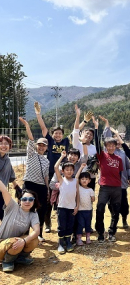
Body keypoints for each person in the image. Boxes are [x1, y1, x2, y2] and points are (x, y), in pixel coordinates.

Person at [34, 102, 70, 233]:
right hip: (49, 173)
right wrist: (38, 114)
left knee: (63, 199)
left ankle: (64, 224)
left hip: (64, 173)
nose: (58, 135)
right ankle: (47, 222)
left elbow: (77, 131)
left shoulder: (66, 141)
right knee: (48, 199)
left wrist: (80, 119)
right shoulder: (49, 140)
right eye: (56, 133)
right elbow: (43, 127)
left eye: (60, 133)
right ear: (53, 134)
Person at [19, 117, 50, 242]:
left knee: (41, 210)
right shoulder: (31, 154)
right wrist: (27, 126)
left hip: (42, 187)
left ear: (46, 147)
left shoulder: (47, 160)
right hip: (29, 185)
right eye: (40, 145)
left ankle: (39, 233)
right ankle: (25, 232)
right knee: (26, 208)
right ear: (36, 146)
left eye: (44, 146)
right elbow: (31, 139)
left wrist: (47, 189)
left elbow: (46, 176)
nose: (41, 147)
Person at [94, 119, 123, 243]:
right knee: (100, 209)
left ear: (116, 146)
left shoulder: (119, 159)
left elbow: (120, 173)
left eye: (113, 145)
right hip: (104, 187)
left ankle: (112, 232)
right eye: (108, 145)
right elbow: (96, 144)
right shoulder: (102, 155)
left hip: (116, 188)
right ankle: (100, 232)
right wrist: (96, 128)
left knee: (116, 211)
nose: (111, 147)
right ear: (105, 147)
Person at [0, 180, 40, 272]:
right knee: (15, 241)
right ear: (19, 200)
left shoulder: (33, 214)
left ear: (34, 201)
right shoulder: (12, 206)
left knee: (34, 240)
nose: (27, 202)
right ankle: (7, 261)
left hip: (16, 243)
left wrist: (24, 240)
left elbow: (36, 230)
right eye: (24, 199)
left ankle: (19, 258)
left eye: (31, 199)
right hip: (2, 243)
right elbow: (4, 190)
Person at [101, 116, 130, 228]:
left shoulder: (123, 154)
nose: (117, 143)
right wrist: (107, 124)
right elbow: (106, 137)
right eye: (115, 141)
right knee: (111, 204)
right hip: (109, 183)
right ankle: (114, 219)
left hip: (122, 183)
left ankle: (124, 219)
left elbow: (128, 167)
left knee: (124, 203)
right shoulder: (107, 151)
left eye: (119, 141)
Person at [54, 151, 79, 254]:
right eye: (67, 170)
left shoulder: (75, 181)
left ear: (73, 171)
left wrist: (77, 206)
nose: (69, 172)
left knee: (69, 225)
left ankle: (68, 242)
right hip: (62, 207)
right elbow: (56, 167)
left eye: (71, 170)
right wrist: (62, 156)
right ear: (63, 171)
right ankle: (60, 243)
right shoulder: (61, 180)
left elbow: (78, 194)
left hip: (72, 207)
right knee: (61, 225)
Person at [72, 105, 97, 190]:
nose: (88, 135)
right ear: (81, 134)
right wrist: (82, 119)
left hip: (91, 177)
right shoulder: (77, 143)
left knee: (89, 198)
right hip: (78, 174)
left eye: (91, 134)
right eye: (86, 133)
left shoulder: (94, 148)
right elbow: (76, 130)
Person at [0, 135, 19, 220]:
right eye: (1, 143)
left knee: (4, 215)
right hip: (2, 191)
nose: (4, 146)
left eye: (6, 143)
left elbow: (11, 174)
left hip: (2, 193)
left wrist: (16, 187)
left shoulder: (7, 159)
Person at [76, 166, 95, 246]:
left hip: (88, 210)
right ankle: (79, 239)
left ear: (89, 181)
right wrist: (81, 168)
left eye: (86, 179)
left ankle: (88, 238)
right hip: (80, 210)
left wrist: (92, 197)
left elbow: (93, 199)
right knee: (80, 224)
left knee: (88, 224)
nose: (84, 180)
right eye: (82, 179)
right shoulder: (78, 188)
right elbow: (76, 177)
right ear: (80, 180)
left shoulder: (90, 190)